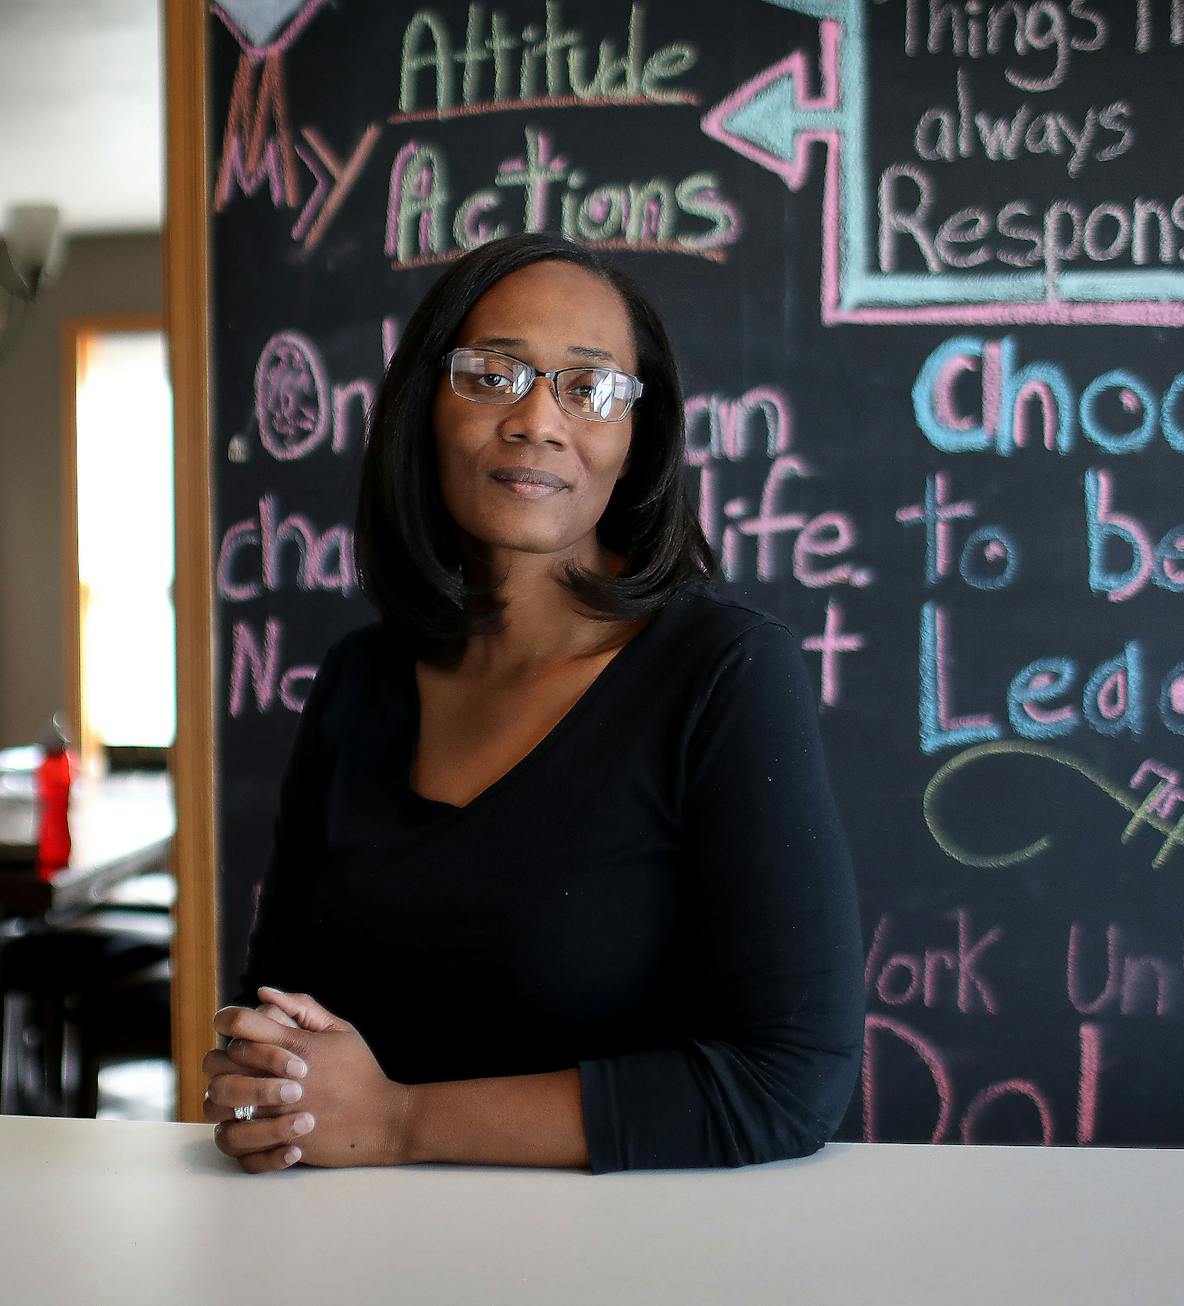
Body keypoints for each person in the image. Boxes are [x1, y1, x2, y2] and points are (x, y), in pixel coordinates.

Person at [201, 232, 865, 1174]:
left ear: (640, 436)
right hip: (355, 1254)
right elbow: (281, 1006)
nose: (539, 422)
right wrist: (266, 1079)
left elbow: (789, 1081)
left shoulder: (723, 673)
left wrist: (398, 1122)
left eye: (590, 389)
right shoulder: (359, 682)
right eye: (492, 374)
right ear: (424, 405)